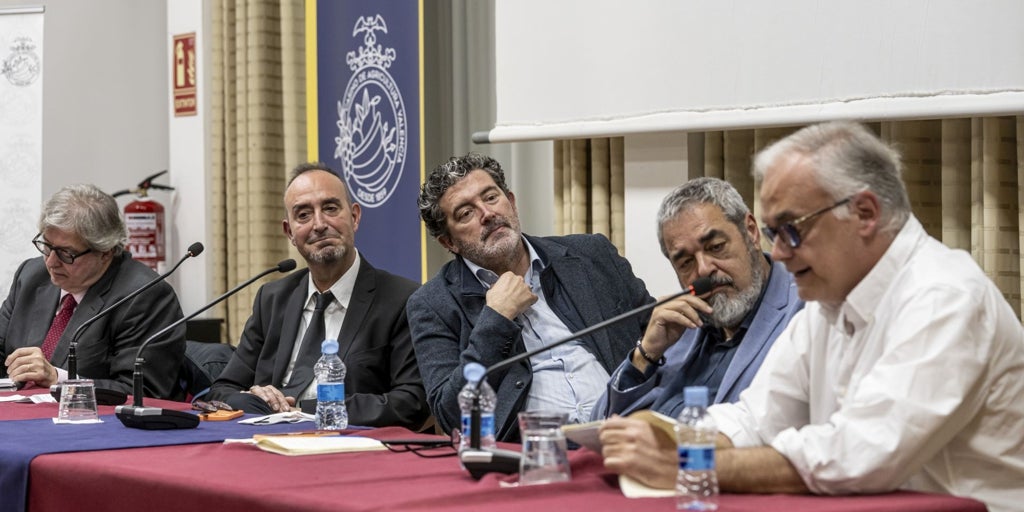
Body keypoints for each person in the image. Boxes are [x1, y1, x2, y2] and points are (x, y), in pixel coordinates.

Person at [613, 122, 1024, 512]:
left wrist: (691, 463)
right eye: (775, 235)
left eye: (792, 230)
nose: (781, 253)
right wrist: (660, 437)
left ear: (864, 213)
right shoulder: (829, 304)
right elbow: (756, 418)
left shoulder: (944, 297)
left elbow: (858, 455)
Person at [407, 153, 653, 441]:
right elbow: (451, 414)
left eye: (491, 197)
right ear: (449, 242)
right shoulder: (432, 304)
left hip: (629, 433)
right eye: (466, 213)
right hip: (532, 455)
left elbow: (656, 331)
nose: (487, 214)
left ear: (511, 202)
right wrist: (496, 319)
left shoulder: (591, 255)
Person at [208, 163, 429, 431]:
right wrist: (254, 398)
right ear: (290, 232)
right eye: (303, 215)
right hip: (267, 443)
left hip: (350, 449)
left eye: (331, 208)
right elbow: (222, 389)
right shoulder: (273, 298)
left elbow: (411, 402)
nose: (319, 224)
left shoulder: (403, 299)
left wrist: (306, 411)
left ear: (355, 217)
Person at [593, 177, 802, 425]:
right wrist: (646, 354)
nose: (703, 270)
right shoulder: (680, 328)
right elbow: (601, 423)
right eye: (685, 262)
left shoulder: (803, 307)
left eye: (716, 247)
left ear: (751, 232)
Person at [1, 184, 186, 399]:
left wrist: (59, 379)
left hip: (97, 426)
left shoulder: (145, 295)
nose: (51, 262)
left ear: (105, 252)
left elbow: (143, 392)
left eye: (66, 253)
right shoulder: (32, 275)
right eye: (47, 246)